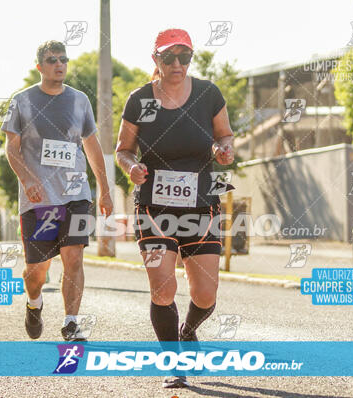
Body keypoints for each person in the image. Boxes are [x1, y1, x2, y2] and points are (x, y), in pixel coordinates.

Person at [115, 28, 234, 388]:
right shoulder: (139, 99)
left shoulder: (208, 94)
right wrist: (131, 167)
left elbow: (223, 136)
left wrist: (223, 150)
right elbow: (123, 148)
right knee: (163, 289)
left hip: (202, 206)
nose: (177, 63)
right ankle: (172, 361)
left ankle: (188, 329)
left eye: (184, 57)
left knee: (205, 294)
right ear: (156, 60)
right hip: (154, 207)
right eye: (169, 57)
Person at [2, 40, 112, 341]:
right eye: (52, 60)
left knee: (74, 257)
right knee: (36, 272)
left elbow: (91, 146)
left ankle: (71, 321)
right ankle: (34, 303)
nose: (59, 64)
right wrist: (28, 180)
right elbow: (11, 149)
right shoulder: (22, 101)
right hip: (39, 200)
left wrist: (104, 189)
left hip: (76, 195)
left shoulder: (80, 101)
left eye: (63, 59)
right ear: (40, 66)